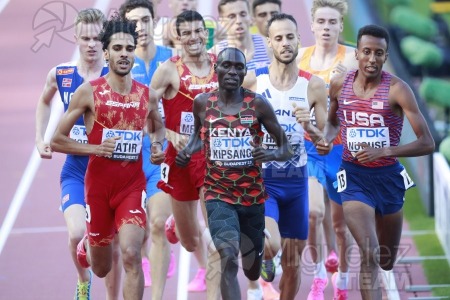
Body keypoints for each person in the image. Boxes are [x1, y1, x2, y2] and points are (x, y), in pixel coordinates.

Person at [317, 24, 435, 300]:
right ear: (356, 53)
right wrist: (326, 138)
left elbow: (427, 142)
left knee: (385, 260)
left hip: (389, 178)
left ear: (386, 55)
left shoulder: (398, 90)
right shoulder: (339, 84)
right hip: (354, 177)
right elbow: (334, 123)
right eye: (366, 52)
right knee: (368, 252)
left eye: (378, 53)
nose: (372, 59)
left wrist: (383, 151)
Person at [50, 17, 165, 300]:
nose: (124, 53)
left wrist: (158, 145)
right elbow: (56, 140)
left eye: (129, 48)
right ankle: (87, 247)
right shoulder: (89, 92)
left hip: (131, 187)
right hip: (98, 189)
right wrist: (95, 149)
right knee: (101, 268)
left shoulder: (146, 96)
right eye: (117, 48)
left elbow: (158, 126)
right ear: (107, 53)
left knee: (130, 254)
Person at [176, 46, 293, 300]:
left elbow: (286, 148)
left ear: (245, 72)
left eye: (238, 67)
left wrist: (269, 155)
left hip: (251, 195)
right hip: (217, 194)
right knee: (227, 256)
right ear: (215, 69)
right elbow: (197, 138)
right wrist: (186, 152)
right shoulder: (203, 103)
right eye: (226, 65)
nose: (232, 71)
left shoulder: (258, 104)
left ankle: (260, 254)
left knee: (251, 270)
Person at [34, 8, 121, 300]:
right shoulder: (62, 74)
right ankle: (83, 281)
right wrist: (40, 138)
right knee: (75, 234)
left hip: (110, 172)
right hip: (75, 169)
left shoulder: (116, 74)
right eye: (86, 38)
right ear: (75, 38)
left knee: (113, 248)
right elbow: (44, 102)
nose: (92, 44)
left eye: (97, 38)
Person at [245, 13, 328, 299]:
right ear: (269, 42)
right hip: (264, 180)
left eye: (290, 37)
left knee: (293, 266)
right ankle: (265, 257)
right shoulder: (255, 82)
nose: (285, 43)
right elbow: (226, 114)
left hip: (297, 183)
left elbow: (326, 144)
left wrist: (310, 128)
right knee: (272, 245)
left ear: (298, 39)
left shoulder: (313, 86)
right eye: (278, 38)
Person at [150, 10, 220, 299]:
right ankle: (177, 225)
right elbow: (146, 105)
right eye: (186, 33)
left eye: (197, 31)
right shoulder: (169, 70)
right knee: (191, 241)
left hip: (215, 158)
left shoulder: (221, 64)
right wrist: (166, 133)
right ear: (177, 38)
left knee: (218, 239)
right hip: (180, 160)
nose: (193, 37)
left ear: (205, 34)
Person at [296, 1, 357, 299]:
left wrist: (341, 87)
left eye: (333, 22)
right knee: (312, 214)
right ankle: (319, 275)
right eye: (321, 21)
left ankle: (342, 280)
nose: (326, 27)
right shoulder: (300, 58)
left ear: (341, 25)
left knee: (341, 225)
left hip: (341, 150)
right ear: (312, 24)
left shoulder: (354, 59)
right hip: (308, 149)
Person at [119, 0, 177, 295]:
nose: (140, 27)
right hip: (127, 159)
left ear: (155, 23)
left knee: (157, 224)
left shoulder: (172, 60)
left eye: (145, 20)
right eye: (134, 22)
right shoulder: (117, 65)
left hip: (160, 156)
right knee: (132, 238)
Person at [211, 0, 272, 71]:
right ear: (222, 22)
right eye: (231, 16)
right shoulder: (215, 54)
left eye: (243, 14)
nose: (238, 21)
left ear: (251, 17)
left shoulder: (269, 45)